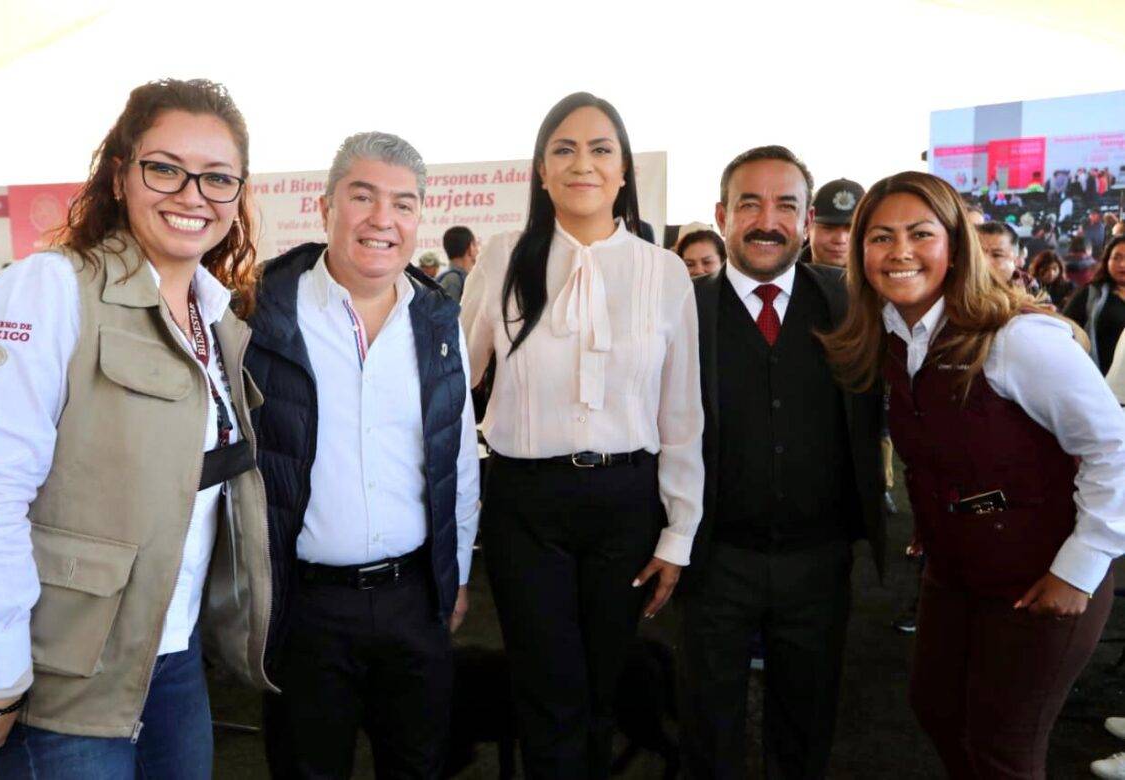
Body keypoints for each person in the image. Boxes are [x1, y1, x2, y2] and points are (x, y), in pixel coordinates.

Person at [0, 78, 273, 779]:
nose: (193, 194)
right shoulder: (50, 288)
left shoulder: (216, 316)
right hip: (65, 678)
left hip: (174, 659)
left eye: (218, 178)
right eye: (165, 168)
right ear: (121, 173)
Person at [821, 170, 1125, 778]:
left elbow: (1113, 452)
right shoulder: (888, 336)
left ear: (954, 246)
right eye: (880, 237)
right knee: (935, 709)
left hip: (1043, 574)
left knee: (1003, 749)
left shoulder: (1019, 339)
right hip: (956, 570)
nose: (899, 251)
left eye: (919, 233)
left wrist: (1080, 569)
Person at [460, 91, 703, 778]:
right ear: (541, 170)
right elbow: (453, 385)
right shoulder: (504, 256)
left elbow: (680, 413)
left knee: (603, 690)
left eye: (600, 149)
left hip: (626, 502)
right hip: (524, 505)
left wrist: (678, 533)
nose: (582, 164)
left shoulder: (662, 272)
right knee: (544, 692)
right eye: (563, 149)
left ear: (623, 171)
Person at [247, 131, 480, 778]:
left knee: (419, 764)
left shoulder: (437, 321)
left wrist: (456, 572)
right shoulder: (263, 314)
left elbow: (455, 457)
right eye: (363, 196)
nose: (383, 219)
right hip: (305, 608)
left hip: (414, 599)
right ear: (326, 207)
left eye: (404, 204)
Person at [677, 145, 884, 779]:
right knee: (707, 731)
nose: (767, 220)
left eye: (786, 205)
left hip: (819, 564)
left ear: (805, 219)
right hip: (714, 562)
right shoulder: (681, 311)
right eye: (749, 203)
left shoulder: (854, 302)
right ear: (721, 214)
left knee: (806, 726)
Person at [1064, 234, 1125, 375]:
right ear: (1107, 261)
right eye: (1116, 257)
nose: (1122, 264)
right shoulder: (1089, 294)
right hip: (1099, 378)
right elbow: (1066, 329)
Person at [802, 178, 864, 267]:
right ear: (808, 226)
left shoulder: (882, 279)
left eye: (851, 229)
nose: (840, 240)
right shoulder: (782, 276)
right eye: (828, 228)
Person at [976, 220, 1043, 296]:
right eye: (978, 253)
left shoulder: (1029, 288)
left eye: (996, 255)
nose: (983, 261)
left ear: (1015, 261)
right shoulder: (961, 287)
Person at [438, 225, 479, 301]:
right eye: (476, 245)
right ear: (471, 247)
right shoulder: (453, 280)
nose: (478, 250)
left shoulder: (454, 279)